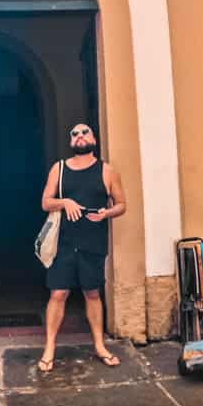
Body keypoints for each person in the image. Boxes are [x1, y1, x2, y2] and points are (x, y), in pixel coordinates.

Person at [37, 122, 127, 373]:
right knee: (58, 294)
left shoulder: (107, 171)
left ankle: (100, 346)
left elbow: (121, 204)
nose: (79, 136)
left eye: (84, 132)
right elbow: (45, 202)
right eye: (74, 134)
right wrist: (65, 202)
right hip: (63, 243)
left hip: (93, 242)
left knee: (92, 293)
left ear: (94, 140)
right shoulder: (60, 169)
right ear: (71, 142)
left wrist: (106, 213)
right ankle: (49, 348)